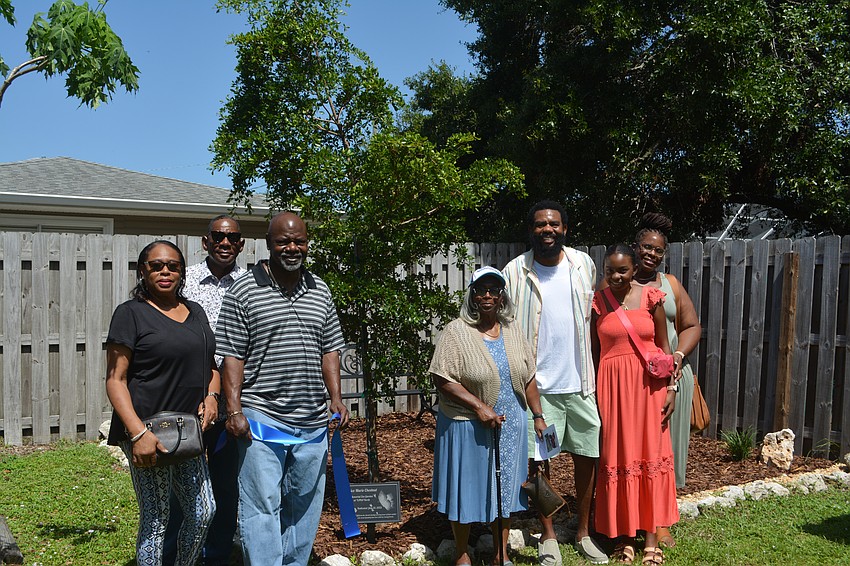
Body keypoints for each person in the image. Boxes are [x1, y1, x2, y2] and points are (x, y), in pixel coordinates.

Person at [215, 211, 348, 566]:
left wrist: (336, 398)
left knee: (304, 502)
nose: (292, 247)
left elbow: (330, 348)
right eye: (283, 241)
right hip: (261, 417)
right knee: (261, 504)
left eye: (299, 241)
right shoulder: (244, 289)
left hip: (313, 418)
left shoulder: (320, 289)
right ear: (268, 243)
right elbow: (231, 355)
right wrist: (235, 410)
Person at [502, 200, 608, 565]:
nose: (547, 230)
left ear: (565, 228)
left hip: (580, 385)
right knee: (539, 462)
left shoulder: (583, 265)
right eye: (540, 225)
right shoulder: (514, 273)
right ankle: (548, 535)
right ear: (530, 230)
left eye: (554, 225)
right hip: (538, 390)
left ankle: (582, 532)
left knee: (587, 457)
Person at [105, 240, 219, 566]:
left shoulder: (194, 311)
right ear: (143, 271)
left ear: (182, 271)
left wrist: (212, 397)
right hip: (147, 432)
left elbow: (211, 366)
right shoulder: (130, 314)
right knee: (157, 519)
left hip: (187, 431)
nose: (165, 271)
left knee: (203, 511)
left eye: (173, 265)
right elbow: (115, 380)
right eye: (156, 266)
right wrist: (138, 434)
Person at [430, 266, 546, 566]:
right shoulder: (456, 331)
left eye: (494, 289)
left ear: (501, 295)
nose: (487, 295)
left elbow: (529, 376)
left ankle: (500, 553)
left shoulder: (513, 329)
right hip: (467, 423)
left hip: (510, 425)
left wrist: (537, 416)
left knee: (505, 487)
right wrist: (479, 407)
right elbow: (442, 378)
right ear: (471, 295)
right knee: (466, 489)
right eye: (480, 289)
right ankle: (462, 553)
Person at [163, 215, 246, 566]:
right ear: (206, 241)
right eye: (218, 237)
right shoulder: (186, 281)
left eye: (232, 239)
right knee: (182, 487)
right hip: (188, 400)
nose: (225, 244)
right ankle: (178, 555)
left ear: (241, 244)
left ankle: (216, 556)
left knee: (226, 486)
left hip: (233, 403)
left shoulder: (251, 283)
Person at [591, 244, 679, 565]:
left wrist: (672, 387)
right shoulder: (597, 304)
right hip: (613, 391)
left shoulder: (651, 298)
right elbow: (593, 352)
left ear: (633, 269)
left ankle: (652, 539)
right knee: (621, 454)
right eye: (610, 270)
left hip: (650, 389)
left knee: (650, 454)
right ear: (604, 270)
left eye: (623, 270)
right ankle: (625, 536)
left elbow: (665, 346)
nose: (616, 276)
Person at [631, 213, 701, 549]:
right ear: (636, 247)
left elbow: (692, 326)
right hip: (632, 383)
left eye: (658, 251)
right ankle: (633, 517)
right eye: (647, 247)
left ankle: (659, 523)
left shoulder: (670, 285)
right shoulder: (620, 282)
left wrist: (677, 356)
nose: (652, 254)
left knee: (665, 452)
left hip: (671, 378)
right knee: (635, 450)